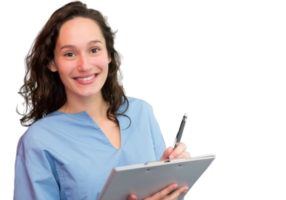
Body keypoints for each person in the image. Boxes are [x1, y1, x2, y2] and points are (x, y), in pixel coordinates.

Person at [14, 1, 190, 200]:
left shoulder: (141, 113)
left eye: (94, 50)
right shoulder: (39, 141)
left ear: (109, 55)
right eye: (69, 54)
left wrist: (175, 177)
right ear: (52, 63)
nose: (84, 65)